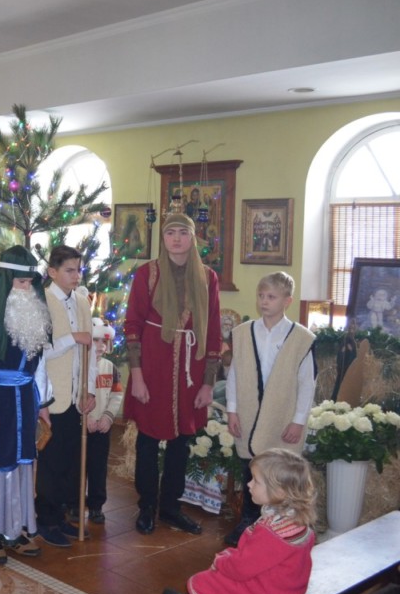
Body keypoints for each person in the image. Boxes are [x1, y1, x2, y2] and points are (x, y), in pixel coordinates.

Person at [123, 212, 221, 536]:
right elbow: (133, 326)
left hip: (191, 370)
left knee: (181, 442)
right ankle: (147, 506)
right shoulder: (146, 274)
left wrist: (208, 383)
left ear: (193, 238)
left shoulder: (208, 278)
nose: (176, 239)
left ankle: (170, 507)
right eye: (170, 233)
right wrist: (137, 376)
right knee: (148, 441)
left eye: (183, 232)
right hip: (153, 366)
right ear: (163, 238)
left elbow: (214, 331)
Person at [0, 246, 53, 565]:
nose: (26, 288)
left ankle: (14, 530)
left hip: (25, 399)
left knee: (20, 464)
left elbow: (39, 362)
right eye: (20, 282)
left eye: (30, 282)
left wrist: (42, 402)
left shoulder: (36, 313)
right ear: (6, 280)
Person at [223, 271, 315, 547]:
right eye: (261, 296)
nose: (264, 301)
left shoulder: (301, 338)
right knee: (252, 471)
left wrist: (298, 420)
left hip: (282, 416)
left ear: (287, 301)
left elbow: (307, 383)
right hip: (249, 412)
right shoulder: (243, 333)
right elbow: (234, 375)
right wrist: (232, 410)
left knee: (281, 471)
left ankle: (286, 525)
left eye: (271, 297)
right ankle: (249, 521)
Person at [162, 448, 317, 594]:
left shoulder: (270, 533)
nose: (249, 484)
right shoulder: (298, 521)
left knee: (206, 580)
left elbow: (242, 568)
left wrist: (221, 562)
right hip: (287, 593)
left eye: (256, 481)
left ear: (279, 491)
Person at [36, 245, 96, 547]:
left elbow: (91, 350)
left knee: (70, 461)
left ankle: (60, 516)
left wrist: (89, 388)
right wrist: (72, 338)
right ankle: (45, 519)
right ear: (52, 272)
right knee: (51, 461)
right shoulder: (42, 302)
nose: (76, 276)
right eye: (69, 270)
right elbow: (40, 351)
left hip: (75, 395)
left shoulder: (82, 302)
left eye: (78, 270)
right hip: (52, 396)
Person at [84, 318, 123, 524]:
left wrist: (107, 417)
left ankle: (96, 505)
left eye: (104, 342)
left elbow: (116, 395)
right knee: (78, 467)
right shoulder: (80, 366)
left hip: (102, 427)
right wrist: (86, 417)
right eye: (96, 340)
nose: (100, 346)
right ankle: (74, 502)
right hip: (83, 426)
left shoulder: (111, 368)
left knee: (98, 468)